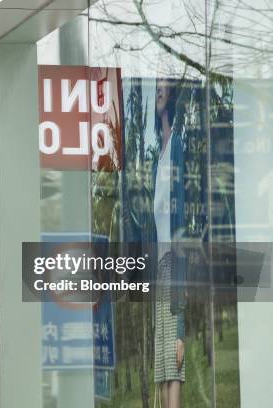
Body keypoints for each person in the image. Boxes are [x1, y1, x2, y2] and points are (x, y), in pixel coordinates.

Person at [152, 78, 186, 408]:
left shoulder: (178, 147)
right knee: (162, 368)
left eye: (164, 86)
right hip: (158, 268)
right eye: (156, 86)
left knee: (175, 359)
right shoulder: (158, 158)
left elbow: (183, 226)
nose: (159, 91)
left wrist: (182, 327)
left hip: (172, 265)